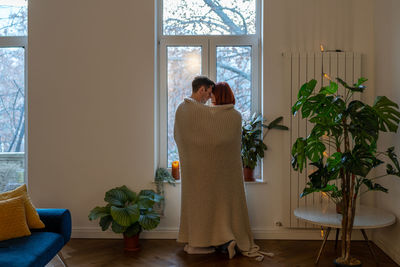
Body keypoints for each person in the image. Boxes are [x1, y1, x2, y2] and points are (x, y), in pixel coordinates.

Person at [174, 77, 274, 260]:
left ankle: (200, 242)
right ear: (203, 89)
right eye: (209, 93)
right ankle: (205, 242)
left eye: (213, 94)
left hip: (199, 170)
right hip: (210, 171)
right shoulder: (229, 115)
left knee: (201, 205)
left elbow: (205, 138)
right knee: (208, 206)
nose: (210, 98)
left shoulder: (185, 109)